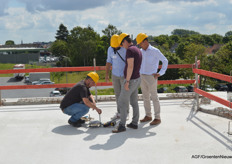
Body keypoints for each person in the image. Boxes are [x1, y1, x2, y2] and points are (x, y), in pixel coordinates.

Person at [112, 33, 142, 133]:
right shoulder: (137, 49)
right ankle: (134, 123)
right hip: (137, 79)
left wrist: (127, 81)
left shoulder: (129, 50)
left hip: (131, 80)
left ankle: (122, 125)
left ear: (125, 41)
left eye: (122, 43)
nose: (122, 46)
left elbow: (130, 66)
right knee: (134, 102)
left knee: (122, 101)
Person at [136, 33, 168, 125]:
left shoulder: (155, 51)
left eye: (140, 43)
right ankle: (148, 115)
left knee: (154, 97)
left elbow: (165, 61)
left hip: (151, 77)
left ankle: (157, 117)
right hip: (142, 76)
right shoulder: (140, 51)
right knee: (145, 97)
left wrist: (161, 73)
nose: (139, 45)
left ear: (145, 41)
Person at [105, 34, 129, 120]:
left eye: (116, 47)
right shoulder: (110, 49)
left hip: (124, 75)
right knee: (117, 95)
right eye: (114, 47)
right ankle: (119, 113)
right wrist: (107, 74)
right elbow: (108, 62)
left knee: (125, 95)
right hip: (115, 75)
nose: (115, 48)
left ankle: (126, 113)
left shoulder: (124, 49)